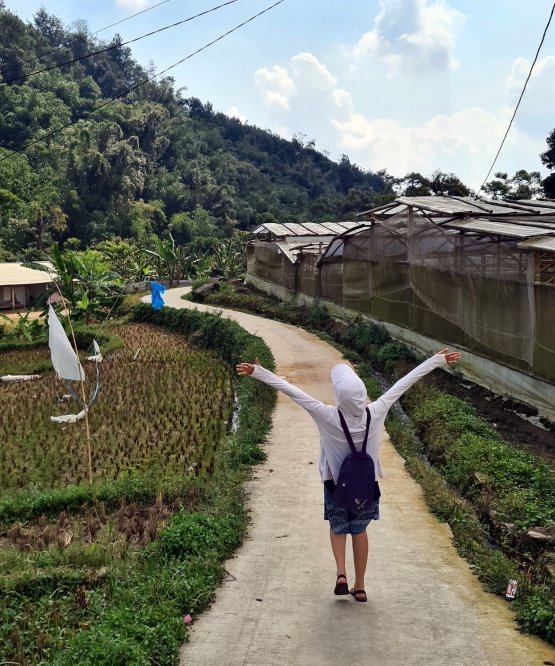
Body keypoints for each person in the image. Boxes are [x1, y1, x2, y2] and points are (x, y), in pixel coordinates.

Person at [236, 348, 461, 602]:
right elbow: (403, 383)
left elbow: (292, 391)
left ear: (339, 396)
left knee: (337, 527)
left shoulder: (326, 414)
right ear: (363, 394)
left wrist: (259, 372)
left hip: (335, 485)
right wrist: (437, 359)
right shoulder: (376, 411)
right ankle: (360, 586)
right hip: (366, 487)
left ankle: (341, 574)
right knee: (359, 531)